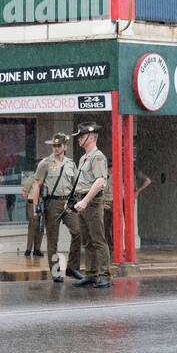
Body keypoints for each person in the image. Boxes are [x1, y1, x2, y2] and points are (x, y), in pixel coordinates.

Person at [31, 133, 83, 283]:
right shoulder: (45, 163)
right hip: (51, 204)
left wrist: (77, 202)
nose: (56, 148)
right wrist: (35, 207)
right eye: (54, 145)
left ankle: (73, 268)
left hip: (68, 202)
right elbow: (37, 185)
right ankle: (55, 272)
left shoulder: (70, 164)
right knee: (53, 240)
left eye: (59, 145)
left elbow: (75, 185)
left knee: (77, 232)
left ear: (65, 146)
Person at [71, 121, 111, 289]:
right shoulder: (83, 158)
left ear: (90, 137)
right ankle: (91, 274)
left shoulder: (98, 156)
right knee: (87, 240)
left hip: (92, 202)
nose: (79, 139)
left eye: (81, 136)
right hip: (83, 201)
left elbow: (100, 180)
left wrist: (86, 200)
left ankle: (104, 275)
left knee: (98, 240)